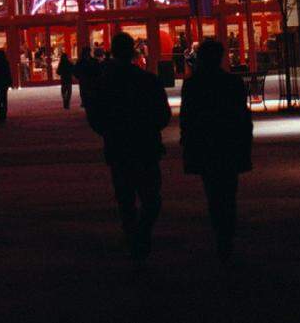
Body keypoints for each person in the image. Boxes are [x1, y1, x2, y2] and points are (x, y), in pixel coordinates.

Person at [86, 32, 172, 259]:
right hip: (146, 147)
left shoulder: (104, 84)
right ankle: (141, 233)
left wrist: (110, 132)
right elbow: (163, 115)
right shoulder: (148, 80)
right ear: (133, 51)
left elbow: (95, 117)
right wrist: (149, 128)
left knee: (125, 199)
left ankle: (133, 236)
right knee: (151, 198)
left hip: (119, 148)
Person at [179, 38, 253, 264]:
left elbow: (187, 118)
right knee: (229, 192)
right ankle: (226, 234)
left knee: (213, 191)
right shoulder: (232, 82)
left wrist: (188, 143)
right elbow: (242, 117)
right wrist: (245, 144)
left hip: (205, 145)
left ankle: (221, 233)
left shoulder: (192, 85)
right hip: (228, 144)